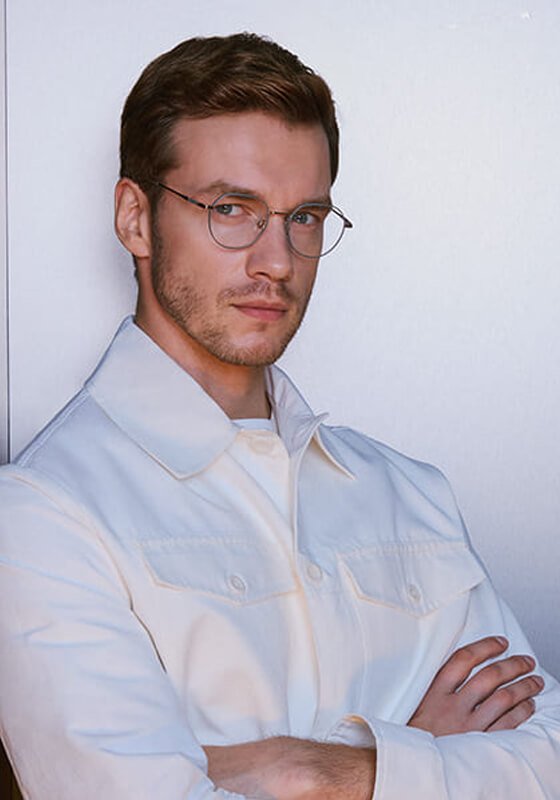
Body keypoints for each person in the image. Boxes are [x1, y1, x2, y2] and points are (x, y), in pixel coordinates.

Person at [0, 32, 558, 800]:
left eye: (305, 216)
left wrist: (309, 770)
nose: (277, 260)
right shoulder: (42, 516)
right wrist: (420, 761)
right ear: (135, 218)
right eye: (232, 209)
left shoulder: (408, 492)